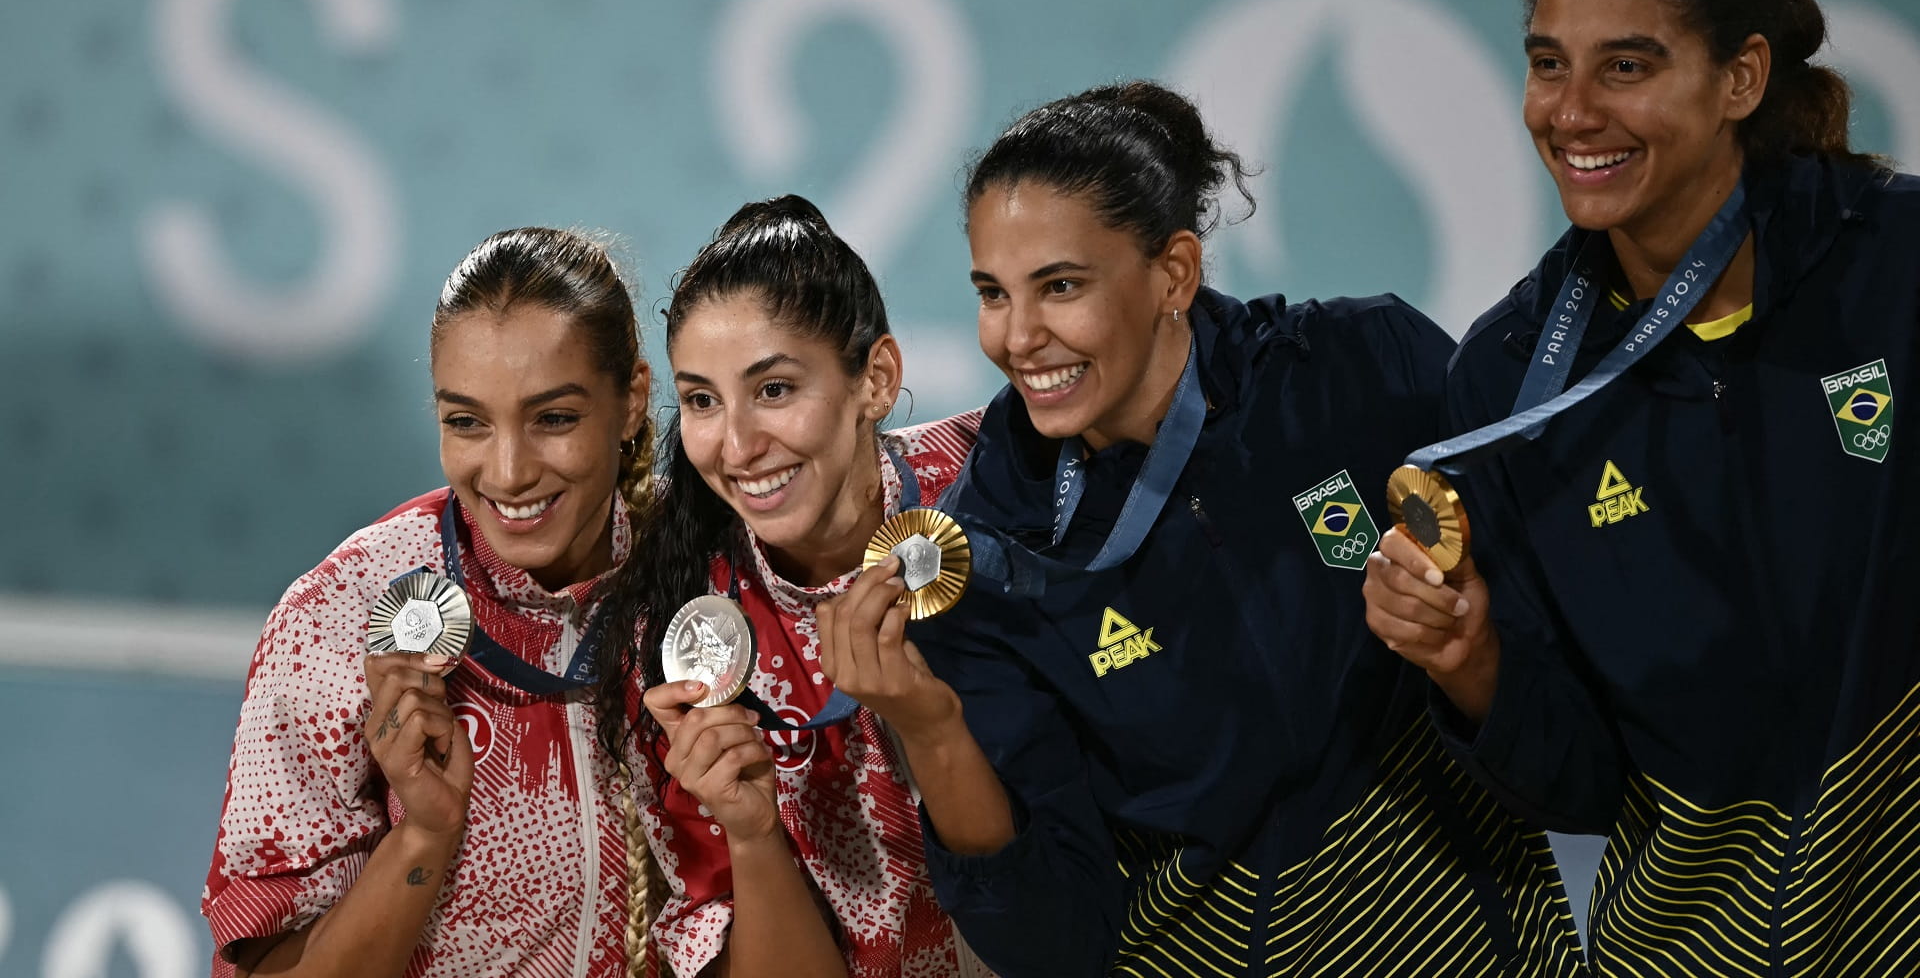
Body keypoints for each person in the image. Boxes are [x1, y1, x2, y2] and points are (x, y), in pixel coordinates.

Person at [897, 81, 1586, 977]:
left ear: (1174, 272)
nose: (1020, 336)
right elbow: (1052, 944)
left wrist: (1473, 659)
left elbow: (1571, 745)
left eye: (1060, 286)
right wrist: (930, 730)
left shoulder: (1363, 371)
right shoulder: (988, 558)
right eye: (994, 293)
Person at [1362, 0, 1920, 973]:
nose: (1571, 112)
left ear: (1741, 80)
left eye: (1626, 68)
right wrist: (1470, 660)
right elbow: (1580, 787)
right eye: (1547, 65)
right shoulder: (1510, 380)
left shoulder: (1895, 267)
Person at [203, 227, 661, 977]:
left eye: (554, 418)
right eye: (467, 421)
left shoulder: (708, 584)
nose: (508, 472)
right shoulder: (335, 616)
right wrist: (424, 835)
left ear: (633, 400)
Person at [600, 195, 995, 977]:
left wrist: (928, 724)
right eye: (704, 400)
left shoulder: (997, 489)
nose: (738, 447)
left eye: (774, 389)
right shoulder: (674, 630)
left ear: (876, 380)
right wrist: (750, 831)